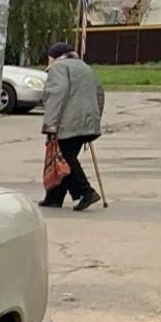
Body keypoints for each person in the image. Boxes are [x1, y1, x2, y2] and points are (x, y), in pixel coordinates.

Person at [40, 41, 104, 211]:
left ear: (54, 58)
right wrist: (96, 118)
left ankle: (85, 192)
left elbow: (56, 95)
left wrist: (50, 124)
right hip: (87, 122)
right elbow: (99, 93)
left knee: (63, 159)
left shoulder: (59, 69)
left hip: (68, 123)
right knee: (63, 157)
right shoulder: (85, 68)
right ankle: (54, 196)